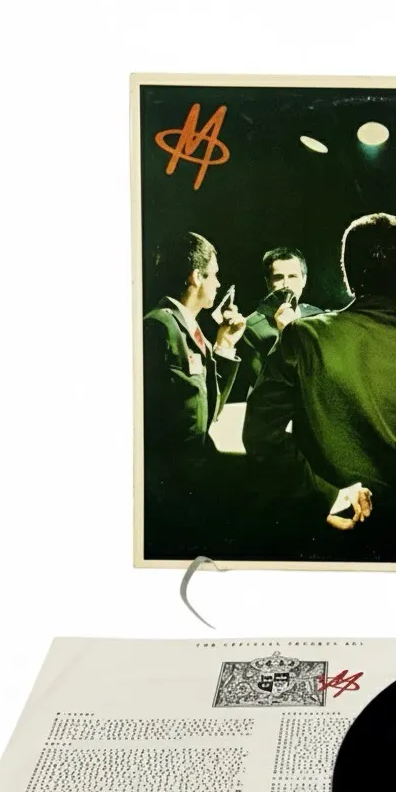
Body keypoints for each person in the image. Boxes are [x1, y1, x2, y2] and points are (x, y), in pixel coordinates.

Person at [242, 213, 396, 554]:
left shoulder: (302, 335)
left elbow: (260, 434)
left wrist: (327, 495)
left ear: (346, 273)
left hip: (320, 528)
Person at [142, 231, 246, 556]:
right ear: (195, 277)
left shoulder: (188, 329)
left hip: (193, 486)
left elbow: (207, 410)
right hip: (171, 495)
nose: (218, 283)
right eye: (213, 275)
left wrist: (224, 345)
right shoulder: (159, 327)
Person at [229, 246, 323, 402]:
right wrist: (286, 336)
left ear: (304, 280)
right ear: (268, 282)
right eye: (278, 277)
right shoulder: (251, 328)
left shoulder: (318, 316)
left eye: (293, 276)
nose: (286, 284)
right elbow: (266, 386)